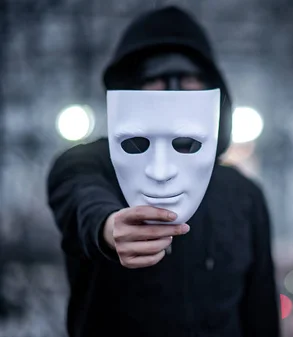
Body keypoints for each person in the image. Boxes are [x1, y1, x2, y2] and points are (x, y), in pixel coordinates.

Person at [46, 6, 280, 337]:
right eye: (155, 79)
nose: (172, 91)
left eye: (188, 80)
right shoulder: (86, 164)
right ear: (129, 88)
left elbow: (260, 311)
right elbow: (82, 197)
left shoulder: (243, 195)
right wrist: (108, 228)